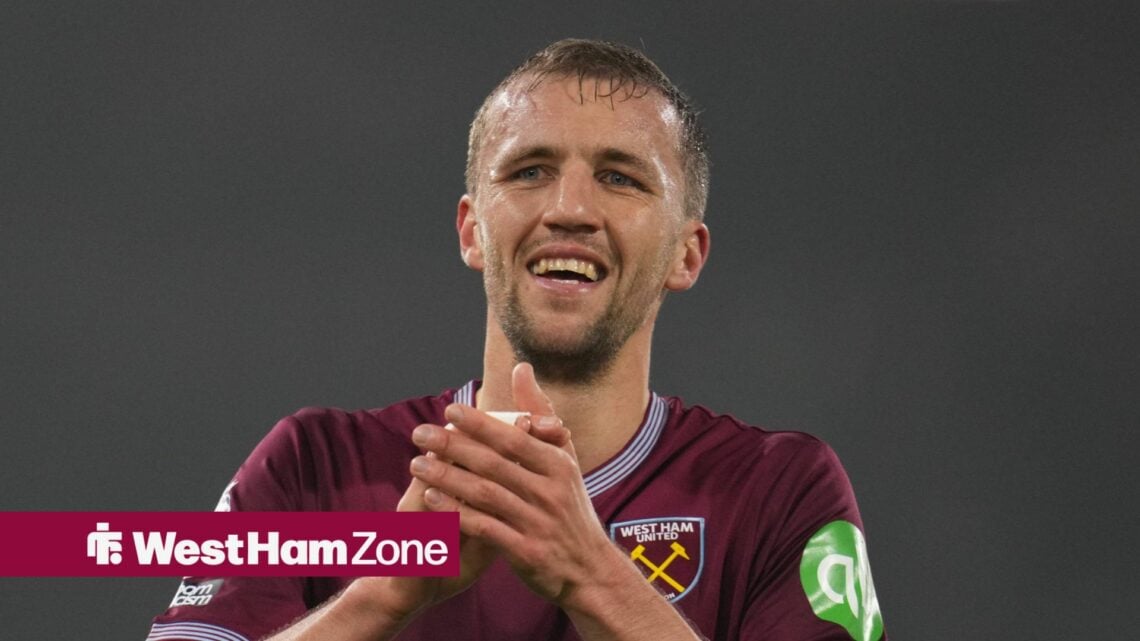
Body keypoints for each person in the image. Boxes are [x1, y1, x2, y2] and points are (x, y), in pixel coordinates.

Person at [145, 38, 885, 641]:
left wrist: (591, 575)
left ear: (686, 255)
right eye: (530, 171)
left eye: (621, 178)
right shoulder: (314, 469)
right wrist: (385, 592)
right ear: (472, 229)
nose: (570, 208)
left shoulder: (779, 491)